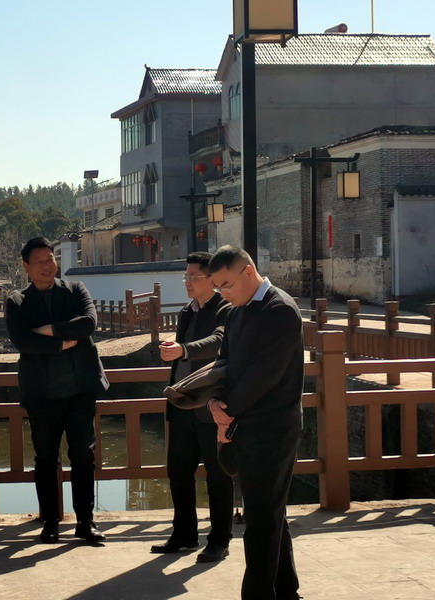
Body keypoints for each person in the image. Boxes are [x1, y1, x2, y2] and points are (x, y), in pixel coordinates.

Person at [207, 245, 304, 600]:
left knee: (261, 519)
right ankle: (287, 590)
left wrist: (227, 409)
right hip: (243, 425)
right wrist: (214, 400)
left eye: (226, 284)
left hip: (273, 429)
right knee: (269, 512)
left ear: (248, 272)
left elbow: (266, 374)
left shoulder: (280, 310)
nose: (223, 293)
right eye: (217, 287)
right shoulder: (235, 312)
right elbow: (224, 364)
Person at [5, 237, 110, 544]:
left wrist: (48, 331)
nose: (47, 266)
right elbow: (22, 341)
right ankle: (50, 521)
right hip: (43, 394)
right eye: (39, 261)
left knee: (83, 456)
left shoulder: (75, 290)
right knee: (46, 458)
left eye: (50, 259)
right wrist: (62, 342)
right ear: (26, 266)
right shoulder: (17, 301)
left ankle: (85, 522)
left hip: (80, 390)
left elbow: (88, 324)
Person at [150, 252, 234, 563]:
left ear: (212, 279)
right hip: (183, 404)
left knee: (218, 475)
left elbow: (219, 341)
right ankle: (184, 534)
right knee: (179, 472)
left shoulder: (225, 308)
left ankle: (220, 539)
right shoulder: (188, 311)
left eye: (193, 277)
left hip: (212, 406)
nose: (187, 281)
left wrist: (183, 350)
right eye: (185, 276)